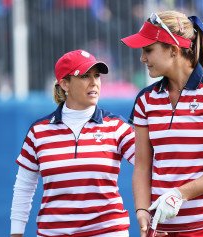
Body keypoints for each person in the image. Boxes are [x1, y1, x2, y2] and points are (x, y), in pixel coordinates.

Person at [121, 10, 203, 237]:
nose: (142, 58)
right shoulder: (145, 100)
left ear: (174, 49)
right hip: (161, 228)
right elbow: (142, 166)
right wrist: (142, 211)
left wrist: (179, 194)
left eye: (148, 50)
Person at [10, 49, 135, 237]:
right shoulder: (39, 131)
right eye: (85, 76)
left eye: (97, 76)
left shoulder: (117, 126)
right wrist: (16, 233)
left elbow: (149, 166)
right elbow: (24, 187)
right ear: (64, 84)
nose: (94, 82)